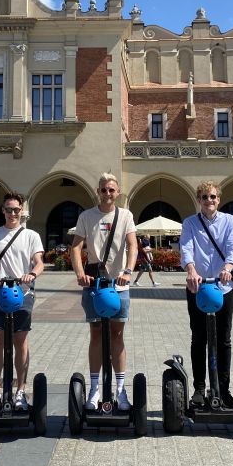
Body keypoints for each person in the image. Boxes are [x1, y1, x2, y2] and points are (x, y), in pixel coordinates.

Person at [0, 192, 44, 412]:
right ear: (3, 211)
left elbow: (39, 262)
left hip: (22, 294)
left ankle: (20, 390)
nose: (13, 213)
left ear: (22, 211)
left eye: (16, 210)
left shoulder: (31, 235)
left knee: (20, 340)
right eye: (9, 209)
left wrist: (32, 274)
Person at [70, 172, 138, 411]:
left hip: (119, 284)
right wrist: (80, 274)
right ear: (97, 191)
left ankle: (120, 389)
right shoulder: (86, 216)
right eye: (103, 189)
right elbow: (76, 247)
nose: (107, 193)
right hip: (95, 283)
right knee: (96, 333)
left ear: (117, 192)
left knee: (117, 335)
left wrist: (128, 271)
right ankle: (94, 388)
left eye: (111, 189)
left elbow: (132, 245)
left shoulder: (126, 215)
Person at [180, 180, 233, 407]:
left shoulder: (230, 221)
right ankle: (199, 388)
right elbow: (186, 248)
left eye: (213, 196)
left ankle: (223, 390)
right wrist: (191, 270)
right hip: (198, 287)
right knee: (199, 338)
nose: (209, 201)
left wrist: (228, 268)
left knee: (223, 339)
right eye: (205, 197)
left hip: (224, 288)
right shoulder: (190, 223)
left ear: (219, 199)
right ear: (199, 200)